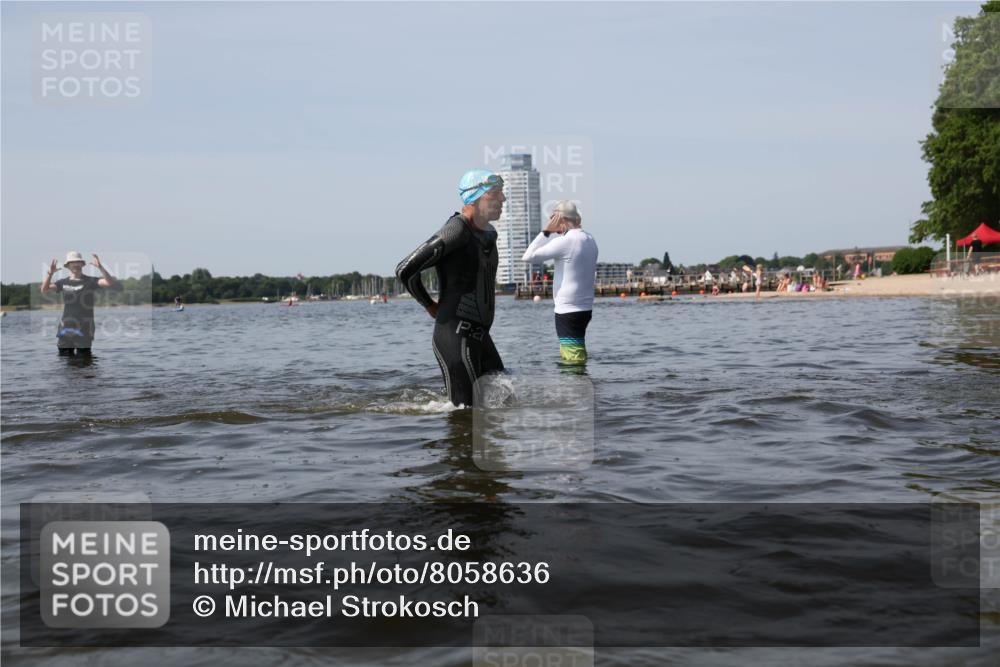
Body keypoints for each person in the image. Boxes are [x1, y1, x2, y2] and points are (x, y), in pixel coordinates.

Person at [395, 169, 506, 407]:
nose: (503, 200)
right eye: (496, 194)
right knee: (464, 413)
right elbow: (405, 269)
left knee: (505, 401)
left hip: (481, 337)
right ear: (474, 197)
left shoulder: (489, 234)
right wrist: (429, 305)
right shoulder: (457, 230)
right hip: (455, 336)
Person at [521, 201, 599, 365]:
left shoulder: (566, 241)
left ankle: (576, 388)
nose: (552, 225)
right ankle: (577, 386)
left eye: (552, 219)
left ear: (560, 219)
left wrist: (545, 232)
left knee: (572, 358)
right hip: (585, 308)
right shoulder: (589, 239)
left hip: (568, 310)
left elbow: (528, 256)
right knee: (575, 351)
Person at [40, 251, 121, 356]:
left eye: (78, 262)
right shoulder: (62, 282)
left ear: (82, 264)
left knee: (84, 360)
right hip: (66, 326)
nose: (76, 264)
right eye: (73, 262)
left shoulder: (91, 281)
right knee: (64, 361)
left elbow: (110, 283)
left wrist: (101, 268)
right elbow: (44, 289)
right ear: (68, 265)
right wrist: (50, 274)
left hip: (85, 326)